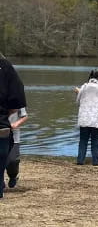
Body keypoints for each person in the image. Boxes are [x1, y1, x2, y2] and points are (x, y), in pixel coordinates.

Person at [0, 53, 26, 199]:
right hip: (5, 128)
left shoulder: (14, 96)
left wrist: (14, 123)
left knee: (12, 162)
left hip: (11, 133)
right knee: (3, 159)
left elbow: (24, 115)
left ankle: (13, 177)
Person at [74, 69, 98, 166]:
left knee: (83, 140)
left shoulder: (84, 87)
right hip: (97, 118)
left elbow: (78, 101)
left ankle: (80, 160)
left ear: (90, 76)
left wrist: (79, 94)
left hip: (85, 117)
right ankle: (96, 161)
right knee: (96, 139)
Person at [6, 107, 28, 188]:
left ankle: (13, 176)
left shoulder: (16, 99)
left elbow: (25, 116)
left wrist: (16, 124)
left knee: (12, 160)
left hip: (14, 136)